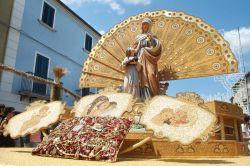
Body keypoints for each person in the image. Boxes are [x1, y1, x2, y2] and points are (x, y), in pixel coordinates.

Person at [129, 17, 162, 100]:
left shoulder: (153, 36)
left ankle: (153, 96)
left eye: (147, 24)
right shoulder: (139, 37)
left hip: (149, 58)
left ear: (150, 26)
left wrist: (151, 41)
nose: (145, 26)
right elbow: (135, 48)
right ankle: (141, 97)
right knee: (139, 78)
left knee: (151, 75)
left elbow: (157, 48)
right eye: (143, 24)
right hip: (140, 58)